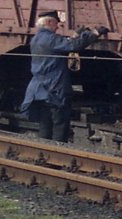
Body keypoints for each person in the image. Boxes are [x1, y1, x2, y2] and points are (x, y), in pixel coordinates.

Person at [19, 11, 108, 142]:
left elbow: (61, 45)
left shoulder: (36, 38)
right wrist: (94, 34)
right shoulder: (50, 39)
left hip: (39, 89)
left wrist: (76, 35)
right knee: (60, 124)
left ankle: (44, 149)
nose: (57, 27)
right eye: (56, 23)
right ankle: (58, 150)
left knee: (45, 123)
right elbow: (73, 46)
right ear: (49, 22)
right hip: (54, 89)